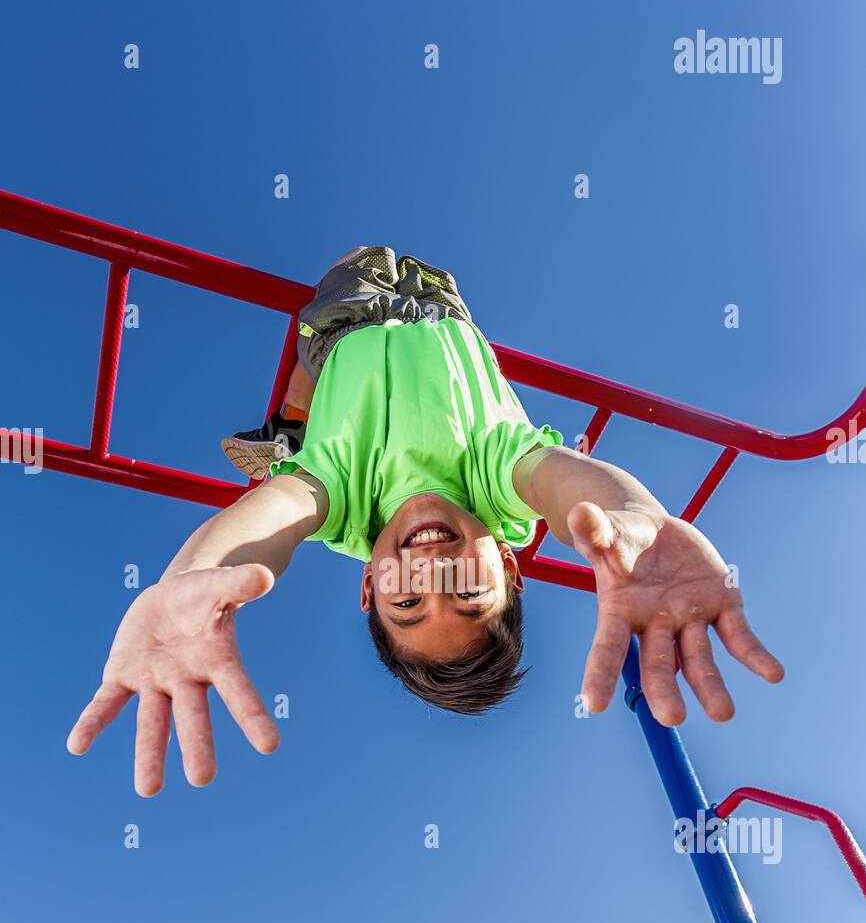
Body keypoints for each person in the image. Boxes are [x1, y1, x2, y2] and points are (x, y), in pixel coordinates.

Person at [67, 247, 784, 795]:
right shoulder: (500, 484)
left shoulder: (338, 505)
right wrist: (638, 516)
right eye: (468, 593)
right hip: (447, 316)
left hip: (347, 327)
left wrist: (193, 575)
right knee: (422, 270)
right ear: (507, 561)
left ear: (368, 588)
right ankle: (289, 433)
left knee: (356, 268)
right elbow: (569, 485)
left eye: (406, 602)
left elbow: (270, 522)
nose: (430, 575)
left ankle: (291, 427)